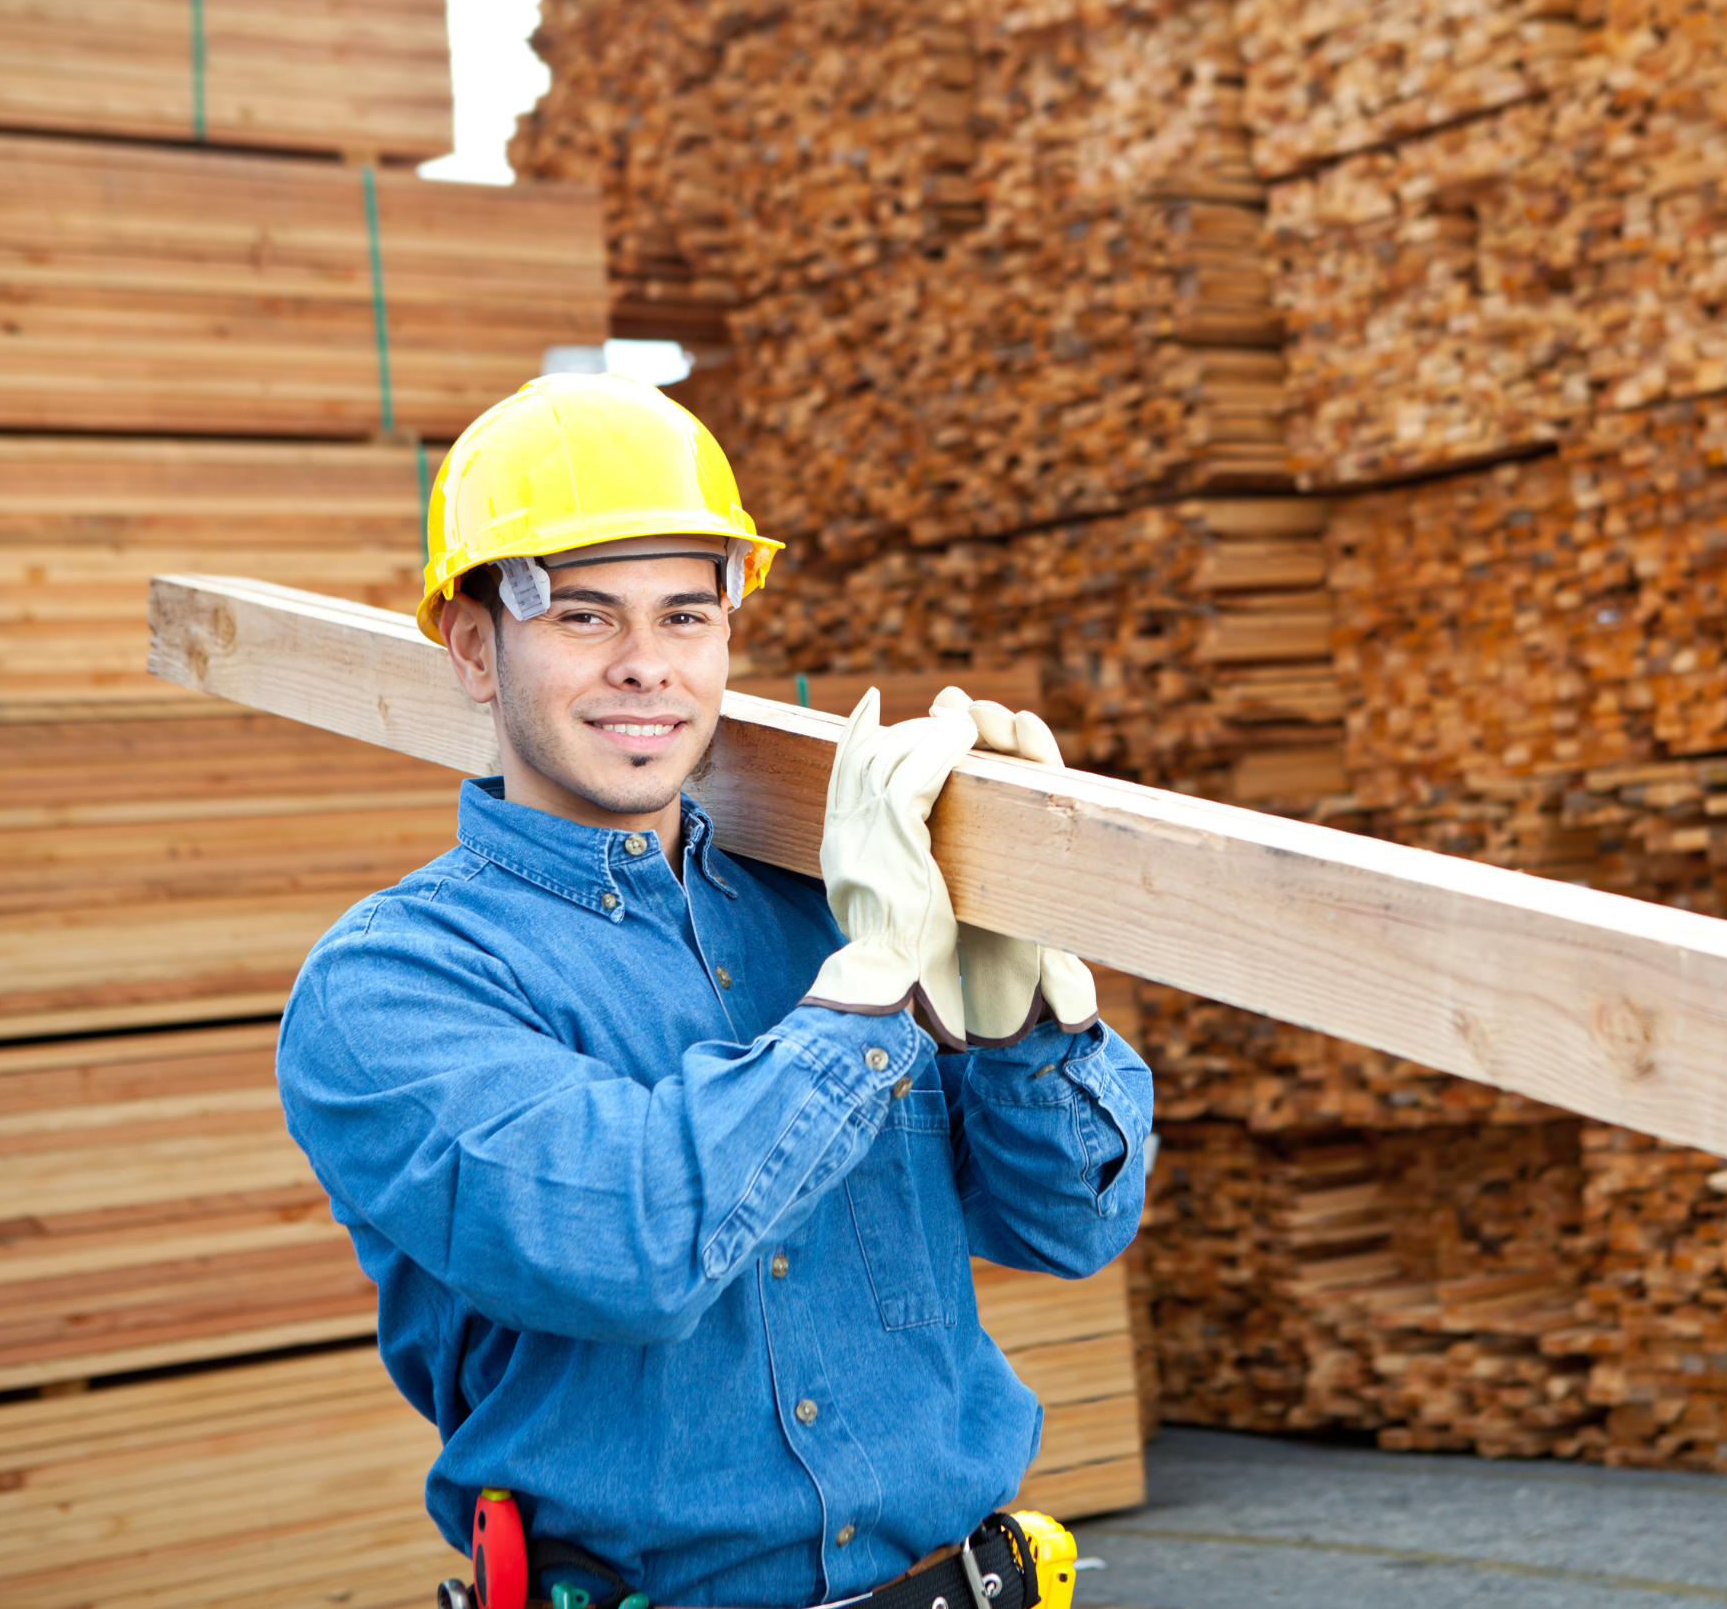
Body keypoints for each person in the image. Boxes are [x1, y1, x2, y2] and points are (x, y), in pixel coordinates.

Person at [275, 374, 1153, 1608]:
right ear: (475, 646)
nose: (648, 667)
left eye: (686, 615)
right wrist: (865, 993)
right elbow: (627, 1247)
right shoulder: (393, 985)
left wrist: (1022, 1005)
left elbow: (1069, 1224)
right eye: (585, 617)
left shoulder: (824, 901)